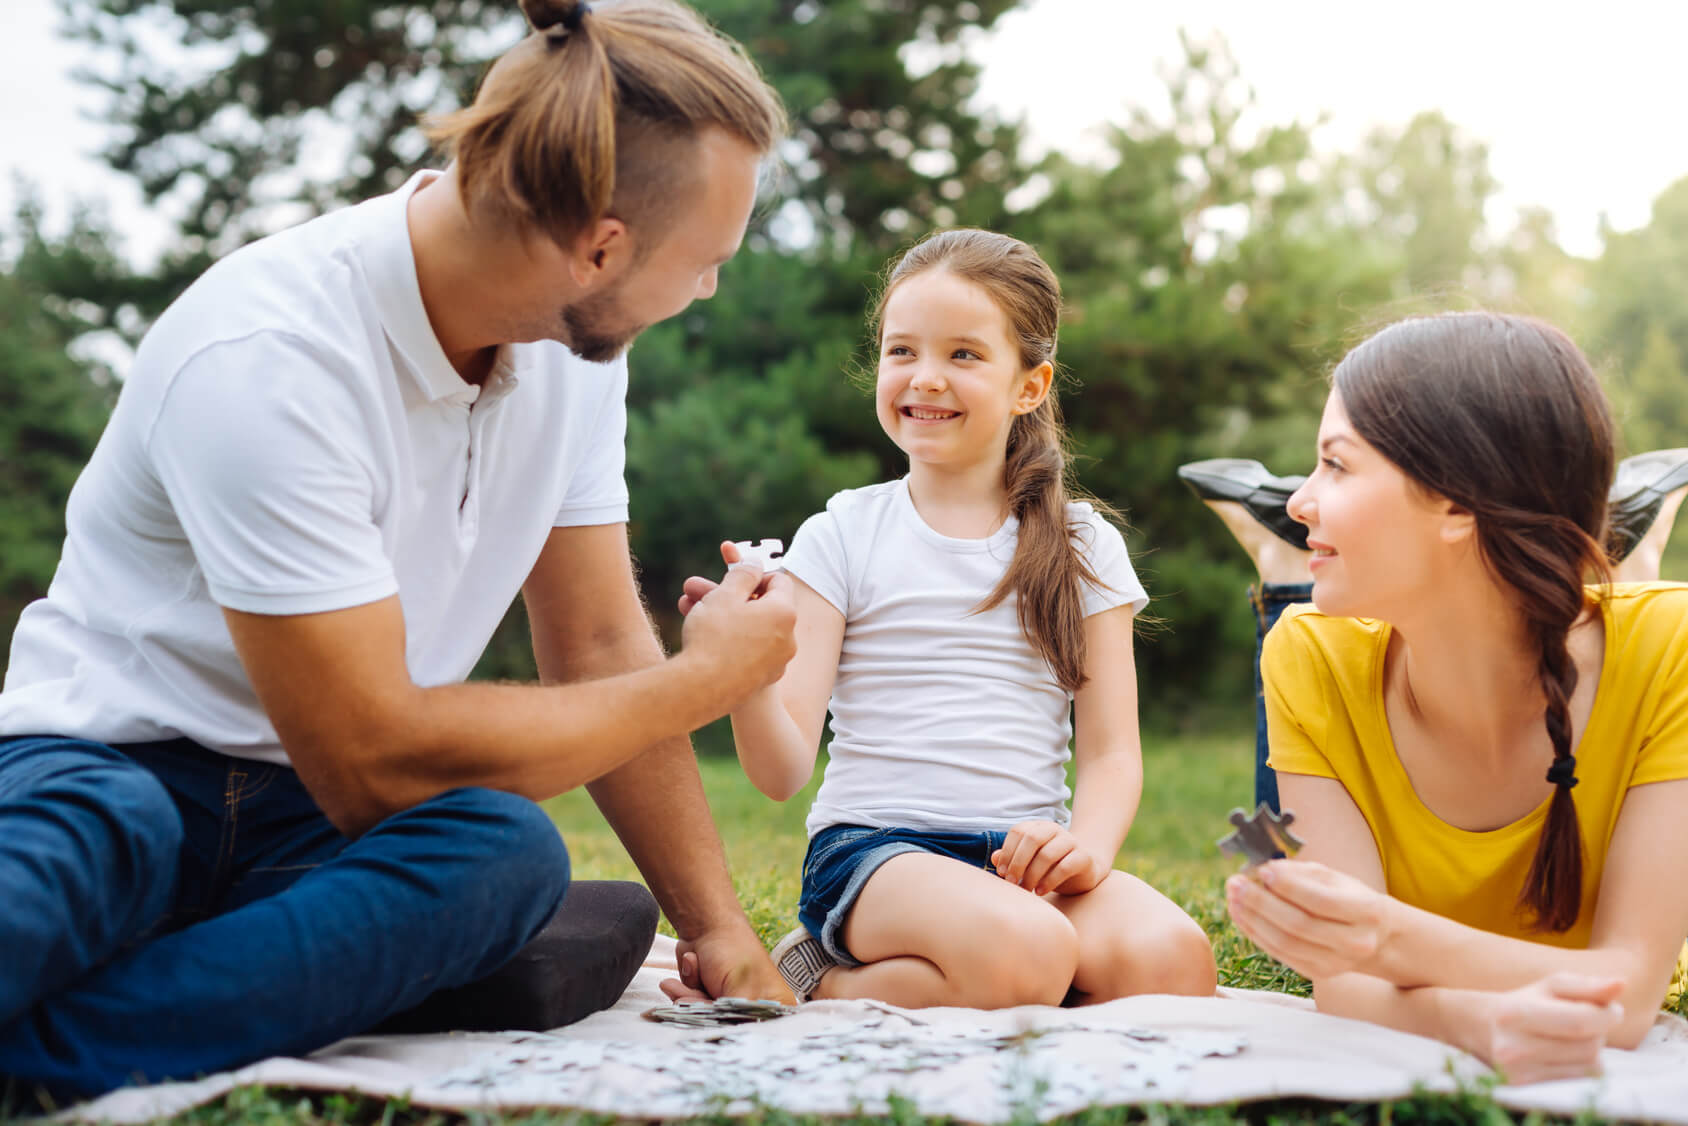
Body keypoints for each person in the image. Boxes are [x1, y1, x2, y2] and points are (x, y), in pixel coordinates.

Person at [0, 0, 796, 1100]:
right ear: (600, 245)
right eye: (707, 260)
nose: (706, 285)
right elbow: (369, 758)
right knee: (102, 836)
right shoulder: (268, 353)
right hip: (110, 772)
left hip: (309, 831)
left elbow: (602, 639)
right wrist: (706, 679)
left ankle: (45, 1046)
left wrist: (722, 933)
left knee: (504, 855)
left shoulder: (575, 357)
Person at [681, 229, 1217, 1007]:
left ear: (1030, 386)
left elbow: (1111, 756)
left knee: (1170, 963)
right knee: (1028, 951)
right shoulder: (841, 536)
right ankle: (819, 981)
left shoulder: (1082, 543)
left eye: (963, 355)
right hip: (873, 857)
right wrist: (741, 674)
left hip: (1019, 862)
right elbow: (780, 772)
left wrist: (1085, 852)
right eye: (902, 351)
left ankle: (974, 982)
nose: (924, 378)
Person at [1219, 312, 1688, 1084]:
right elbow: (1344, 985)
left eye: (1336, 465)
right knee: (1291, 612)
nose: (1300, 498)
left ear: (1457, 503)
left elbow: (1627, 998)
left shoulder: (1669, 652)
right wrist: (1474, 1020)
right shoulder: (1306, 655)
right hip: (1368, 644)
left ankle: (1631, 547)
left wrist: (1379, 938)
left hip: (1604, 629)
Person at [1179, 446, 1688, 813]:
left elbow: (1635, 945)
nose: (1300, 502)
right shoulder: (1305, 644)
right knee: (1281, 880)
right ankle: (1618, 567)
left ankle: (1620, 571)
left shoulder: (1672, 636)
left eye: (1336, 464)